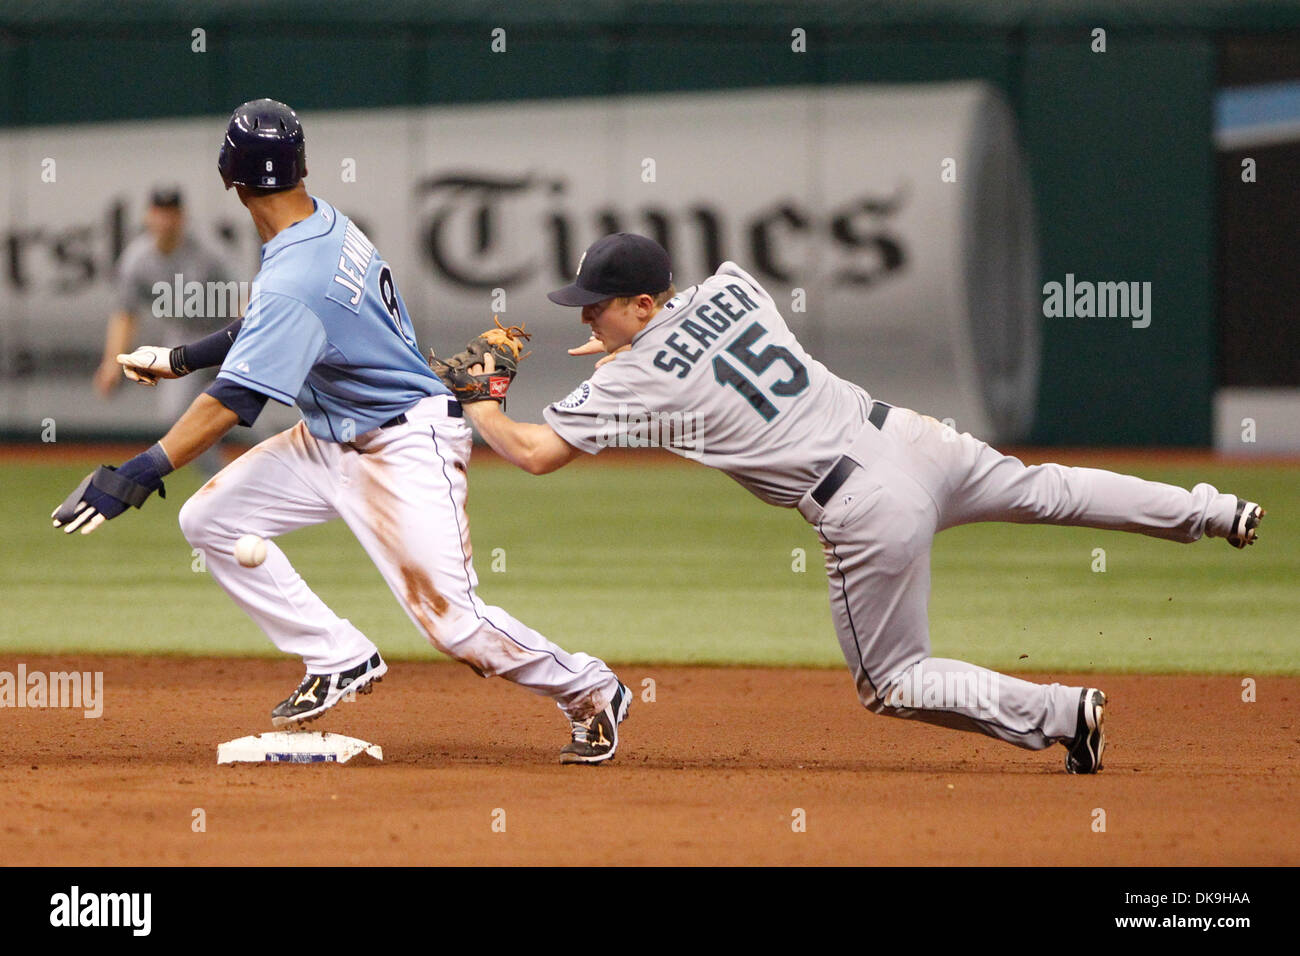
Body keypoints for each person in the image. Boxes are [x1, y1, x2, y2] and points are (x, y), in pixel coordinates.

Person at [440, 232, 1266, 774]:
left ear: (645, 304)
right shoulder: (734, 286)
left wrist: (481, 396)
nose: (586, 313)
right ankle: (1213, 511)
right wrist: (617, 341)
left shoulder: (631, 373)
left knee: (895, 682)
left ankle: (1058, 712)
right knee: (1050, 487)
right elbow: (677, 341)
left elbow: (533, 453)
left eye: (599, 302)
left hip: (865, 505)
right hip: (913, 439)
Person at [53, 99, 630, 765]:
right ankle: (339, 656)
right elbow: (265, 322)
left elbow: (234, 398)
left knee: (455, 625)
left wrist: (137, 472)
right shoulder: (321, 224)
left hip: (402, 445)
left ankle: (591, 689)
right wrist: (178, 357)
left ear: (228, 176)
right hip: (330, 438)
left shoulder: (298, 271)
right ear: (300, 167)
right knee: (209, 518)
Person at [95, 186, 237, 477]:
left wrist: (251, 343)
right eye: (159, 213)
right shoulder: (138, 259)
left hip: (225, 336)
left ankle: (292, 464)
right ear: (149, 216)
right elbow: (125, 312)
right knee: (179, 417)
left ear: (182, 217)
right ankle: (220, 481)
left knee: (249, 411)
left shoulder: (208, 250)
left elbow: (241, 299)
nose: (165, 220)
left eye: (171, 213)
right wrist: (112, 362)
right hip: (184, 336)